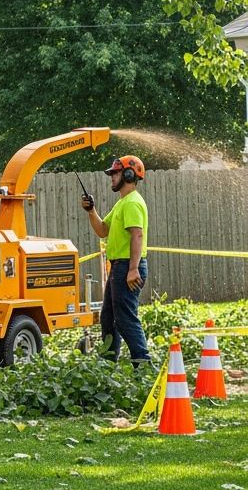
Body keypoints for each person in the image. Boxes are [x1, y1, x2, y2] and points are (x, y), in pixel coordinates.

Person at [81, 154, 151, 365]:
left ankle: (143, 364)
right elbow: (103, 230)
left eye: (115, 173)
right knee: (109, 318)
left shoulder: (132, 203)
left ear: (129, 175)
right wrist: (91, 210)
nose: (111, 177)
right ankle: (108, 363)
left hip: (127, 267)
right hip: (119, 267)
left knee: (125, 319)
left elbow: (137, 235)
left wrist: (133, 269)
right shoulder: (122, 203)